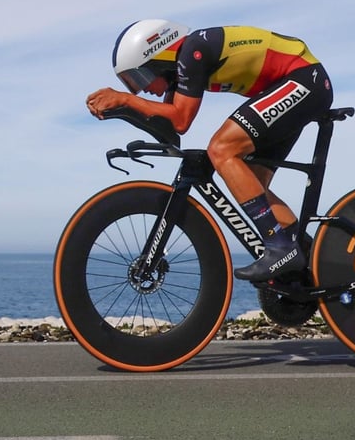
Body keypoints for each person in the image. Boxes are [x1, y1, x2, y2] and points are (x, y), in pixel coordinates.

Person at [85, 20, 333, 283]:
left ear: (158, 58)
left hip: (305, 78)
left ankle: (279, 247)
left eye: (139, 77)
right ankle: (307, 260)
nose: (142, 89)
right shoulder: (179, 74)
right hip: (294, 85)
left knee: (221, 149)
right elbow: (171, 131)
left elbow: (181, 119)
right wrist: (123, 111)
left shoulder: (193, 51)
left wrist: (125, 99)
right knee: (249, 182)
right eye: (131, 85)